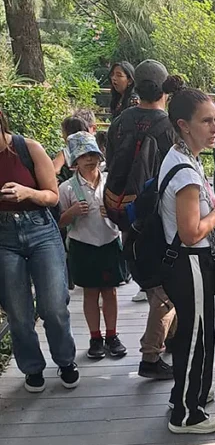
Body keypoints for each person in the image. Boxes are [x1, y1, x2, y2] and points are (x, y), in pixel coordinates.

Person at [159, 88, 215, 434]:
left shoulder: (182, 157)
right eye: (206, 121)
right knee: (196, 334)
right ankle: (186, 413)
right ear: (183, 125)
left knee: (197, 332)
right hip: (190, 261)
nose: (214, 128)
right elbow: (191, 233)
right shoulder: (186, 172)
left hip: (188, 263)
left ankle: (190, 394)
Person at [106, 59, 182, 380]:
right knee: (161, 287)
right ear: (165, 89)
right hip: (156, 214)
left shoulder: (120, 120)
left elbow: (111, 162)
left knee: (148, 272)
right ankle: (150, 356)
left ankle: (170, 338)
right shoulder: (168, 127)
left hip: (124, 209)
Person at [0, 111, 79, 392]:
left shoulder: (27, 148)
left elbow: (52, 195)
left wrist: (27, 193)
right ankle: (32, 367)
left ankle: (65, 359)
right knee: (18, 311)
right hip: (3, 237)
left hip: (40, 229)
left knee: (53, 305)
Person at [58, 132, 128, 360]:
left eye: (93, 154)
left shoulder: (111, 182)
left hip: (109, 240)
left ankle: (112, 335)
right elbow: (59, 221)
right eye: (83, 156)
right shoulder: (68, 188)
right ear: (74, 161)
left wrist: (115, 213)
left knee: (110, 291)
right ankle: (95, 337)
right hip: (83, 244)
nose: (89, 160)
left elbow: (126, 211)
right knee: (90, 292)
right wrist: (72, 212)